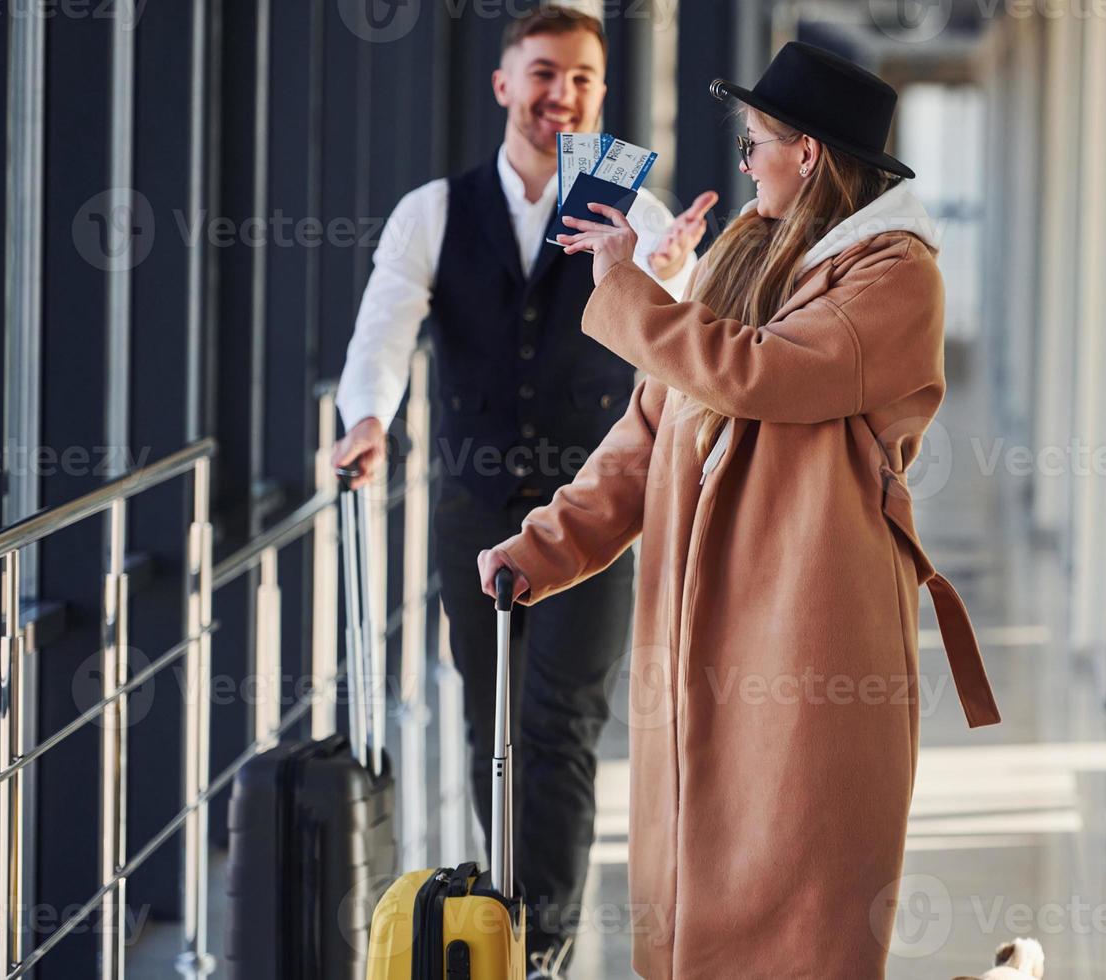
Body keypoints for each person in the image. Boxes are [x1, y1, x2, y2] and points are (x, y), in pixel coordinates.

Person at [478, 40, 1001, 979]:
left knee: (802, 878)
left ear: (808, 154)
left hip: (812, 624)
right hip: (703, 628)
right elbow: (651, 428)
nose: (747, 158)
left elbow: (763, 374)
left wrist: (627, 290)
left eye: (759, 140)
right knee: (700, 877)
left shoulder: (894, 274)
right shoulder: (747, 251)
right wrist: (543, 545)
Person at [330, 7, 715, 974]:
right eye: (544, 73)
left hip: (598, 516)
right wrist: (367, 417)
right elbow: (384, 328)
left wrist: (668, 277)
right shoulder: (433, 210)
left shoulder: (638, 214)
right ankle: (506, 917)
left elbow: (691, 347)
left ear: (599, 95)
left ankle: (543, 939)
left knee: (562, 723)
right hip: (473, 507)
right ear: (505, 85)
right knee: (486, 718)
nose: (563, 94)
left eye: (583, 79)